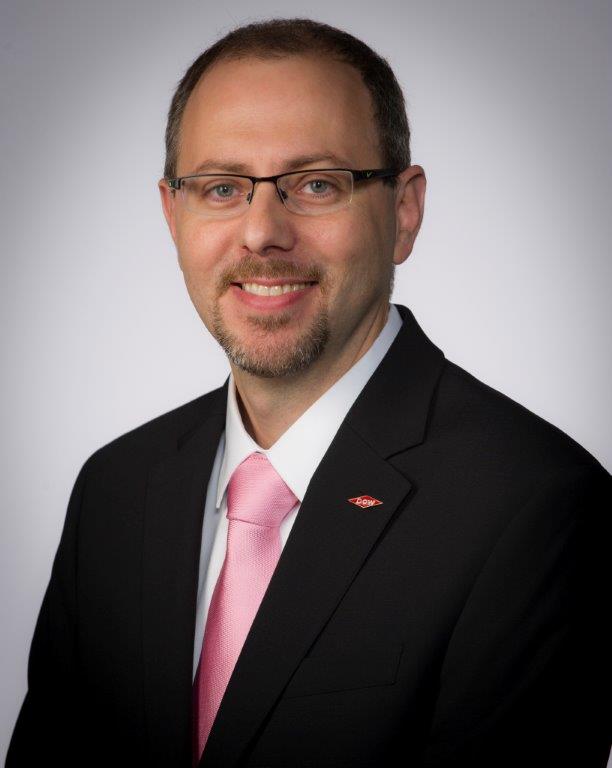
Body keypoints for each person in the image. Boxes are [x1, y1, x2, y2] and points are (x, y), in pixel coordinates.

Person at [6, 17, 610, 768]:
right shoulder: (115, 489)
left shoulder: (536, 505)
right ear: (173, 215)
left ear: (404, 212)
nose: (262, 231)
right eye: (221, 188)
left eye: (316, 184)